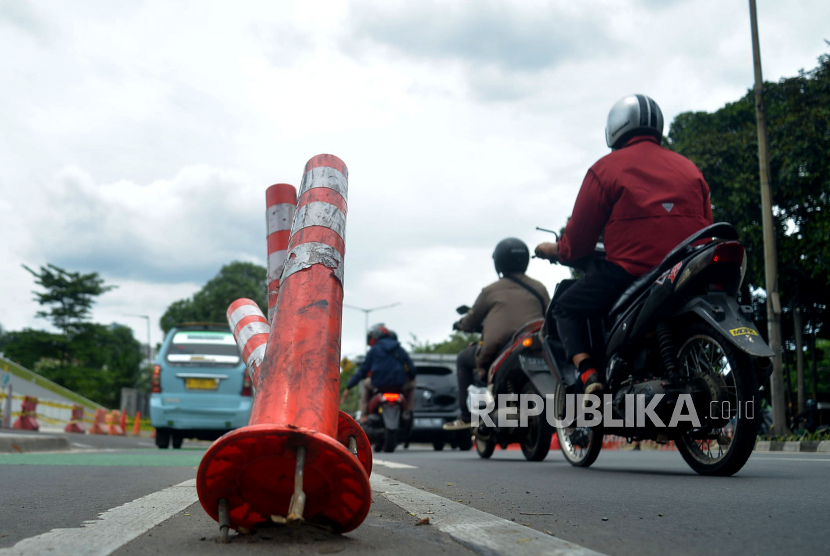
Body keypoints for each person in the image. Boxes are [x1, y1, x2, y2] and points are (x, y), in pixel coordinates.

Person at [535, 94, 713, 398]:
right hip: (690, 269)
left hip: (633, 272)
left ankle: (589, 374)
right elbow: (707, 224)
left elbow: (576, 245)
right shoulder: (689, 169)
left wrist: (556, 250)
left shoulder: (605, 170)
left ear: (616, 127)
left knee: (564, 306)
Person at [443, 238, 550, 431]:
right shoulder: (539, 288)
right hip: (536, 343)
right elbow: (549, 313)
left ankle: (466, 415)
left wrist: (461, 324)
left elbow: (472, 319)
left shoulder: (490, 291)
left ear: (498, 261)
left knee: (462, 359)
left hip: (502, 348)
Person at [342, 324, 416, 422]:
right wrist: (411, 377)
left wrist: (349, 386)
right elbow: (411, 369)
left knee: (366, 384)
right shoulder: (399, 349)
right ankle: (408, 411)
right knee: (413, 384)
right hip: (399, 385)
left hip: (379, 385)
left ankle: (363, 415)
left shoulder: (374, 350)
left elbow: (363, 370)